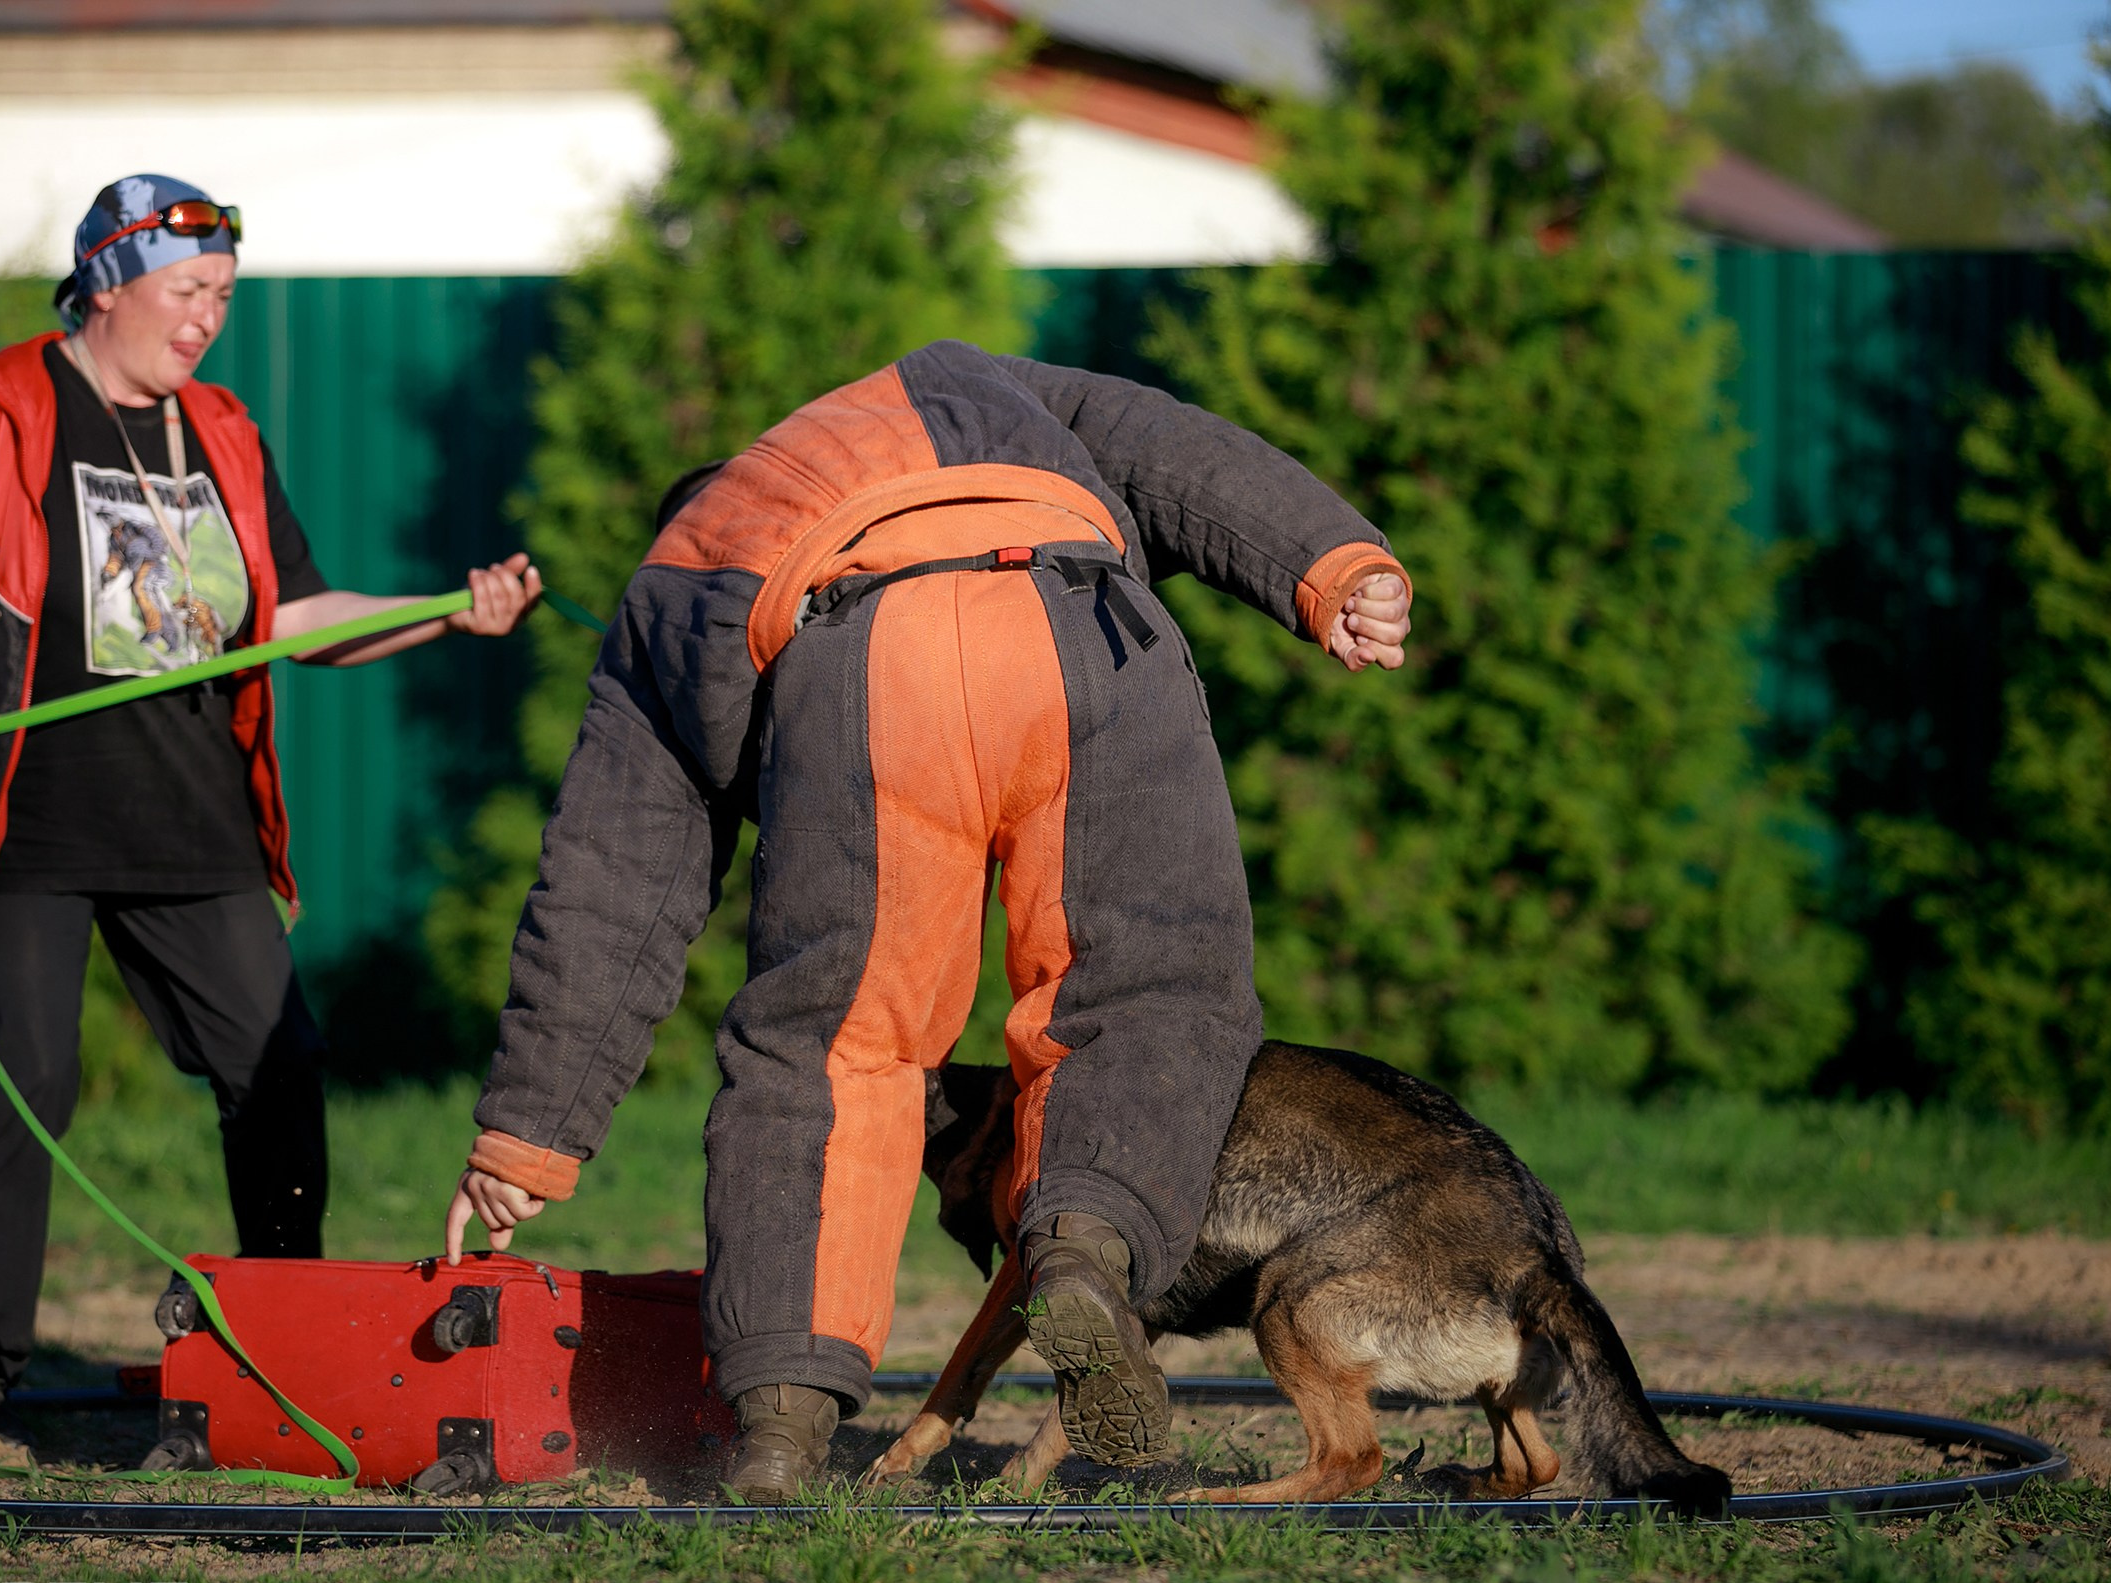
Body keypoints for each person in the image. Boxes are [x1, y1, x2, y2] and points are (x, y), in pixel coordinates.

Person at [441, 341, 1410, 1498]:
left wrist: (525, 1143)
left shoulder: (682, 568)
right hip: (1085, 623)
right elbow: (1165, 443)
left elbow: (608, 883)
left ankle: (783, 1431)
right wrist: (1328, 564)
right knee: (1145, 996)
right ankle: (1084, 1249)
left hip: (865, 657)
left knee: (835, 1048)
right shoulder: (950, 381)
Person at [0, 174, 540, 1465]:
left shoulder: (226, 435)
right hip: (21, 827)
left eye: (224, 298)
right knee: (17, 1099)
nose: (208, 318)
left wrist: (445, 609)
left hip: (194, 828)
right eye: (188, 292)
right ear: (106, 279)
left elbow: (297, 618)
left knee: (280, 1066)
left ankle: (284, 1341)